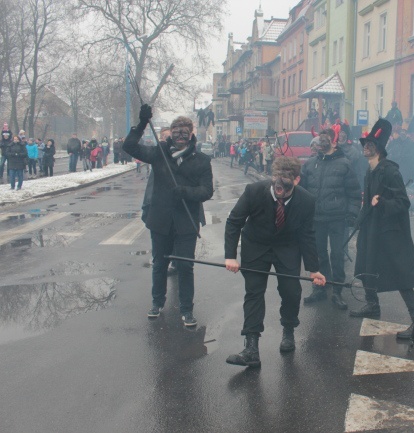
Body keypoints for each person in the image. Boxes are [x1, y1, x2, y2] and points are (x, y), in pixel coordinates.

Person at [224, 156, 326, 368]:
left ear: (296, 180)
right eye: (276, 179)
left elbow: (307, 235)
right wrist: (230, 256)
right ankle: (251, 347)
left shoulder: (307, 201)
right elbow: (234, 222)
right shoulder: (254, 191)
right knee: (254, 291)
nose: (279, 185)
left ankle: (288, 330)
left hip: (287, 246)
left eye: (285, 181)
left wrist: (314, 269)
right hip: (256, 245)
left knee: (291, 291)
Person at [123, 104, 214, 327]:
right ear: (171, 134)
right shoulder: (159, 153)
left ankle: (186, 309)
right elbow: (129, 146)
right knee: (159, 264)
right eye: (176, 132)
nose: (181, 136)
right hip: (161, 220)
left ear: (191, 134)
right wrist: (143, 122)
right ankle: (157, 302)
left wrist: (187, 192)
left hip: (186, 221)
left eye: (185, 132)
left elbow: (207, 190)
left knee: (185, 266)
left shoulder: (201, 160)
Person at [349, 118, 414, 340]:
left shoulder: (390, 171)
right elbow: (367, 203)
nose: (365, 146)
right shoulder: (370, 170)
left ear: (379, 149)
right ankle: (372, 305)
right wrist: (359, 220)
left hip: (390, 233)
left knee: (401, 277)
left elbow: (403, 203)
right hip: (371, 229)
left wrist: (382, 203)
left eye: (370, 144)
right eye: (365, 143)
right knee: (366, 266)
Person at [301, 128, 361, 310]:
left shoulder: (344, 163)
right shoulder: (310, 164)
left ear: (333, 142)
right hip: (316, 218)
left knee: (337, 254)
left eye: (326, 139)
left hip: (337, 218)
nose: (321, 142)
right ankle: (320, 287)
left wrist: (352, 214)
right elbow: (302, 190)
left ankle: (337, 291)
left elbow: (354, 192)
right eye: (320, 139)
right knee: (319, 254)